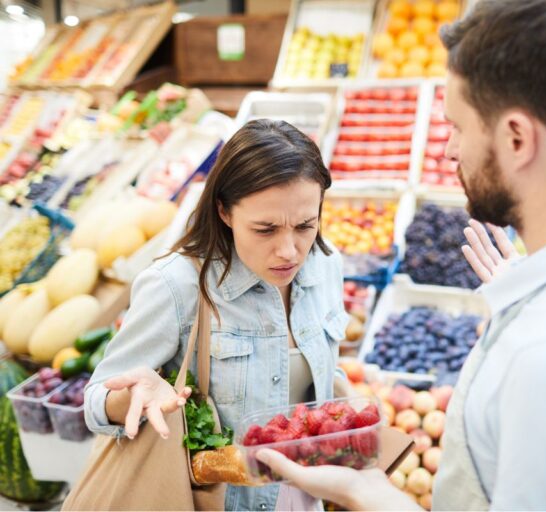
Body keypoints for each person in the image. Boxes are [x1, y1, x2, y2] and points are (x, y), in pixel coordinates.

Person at [257, 1, 546, 509]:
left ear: (516, 138)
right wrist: (528, 295)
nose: (450, 149)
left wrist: (373, 496)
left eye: (458, 126)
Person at [84, 119, 350, 511]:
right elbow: (96, 400)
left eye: (305, 226)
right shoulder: (177, 285)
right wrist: (135, 397)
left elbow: (324, 376)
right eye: (265, 229)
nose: (290, 251)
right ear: (224, 211)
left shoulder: (326, 266)